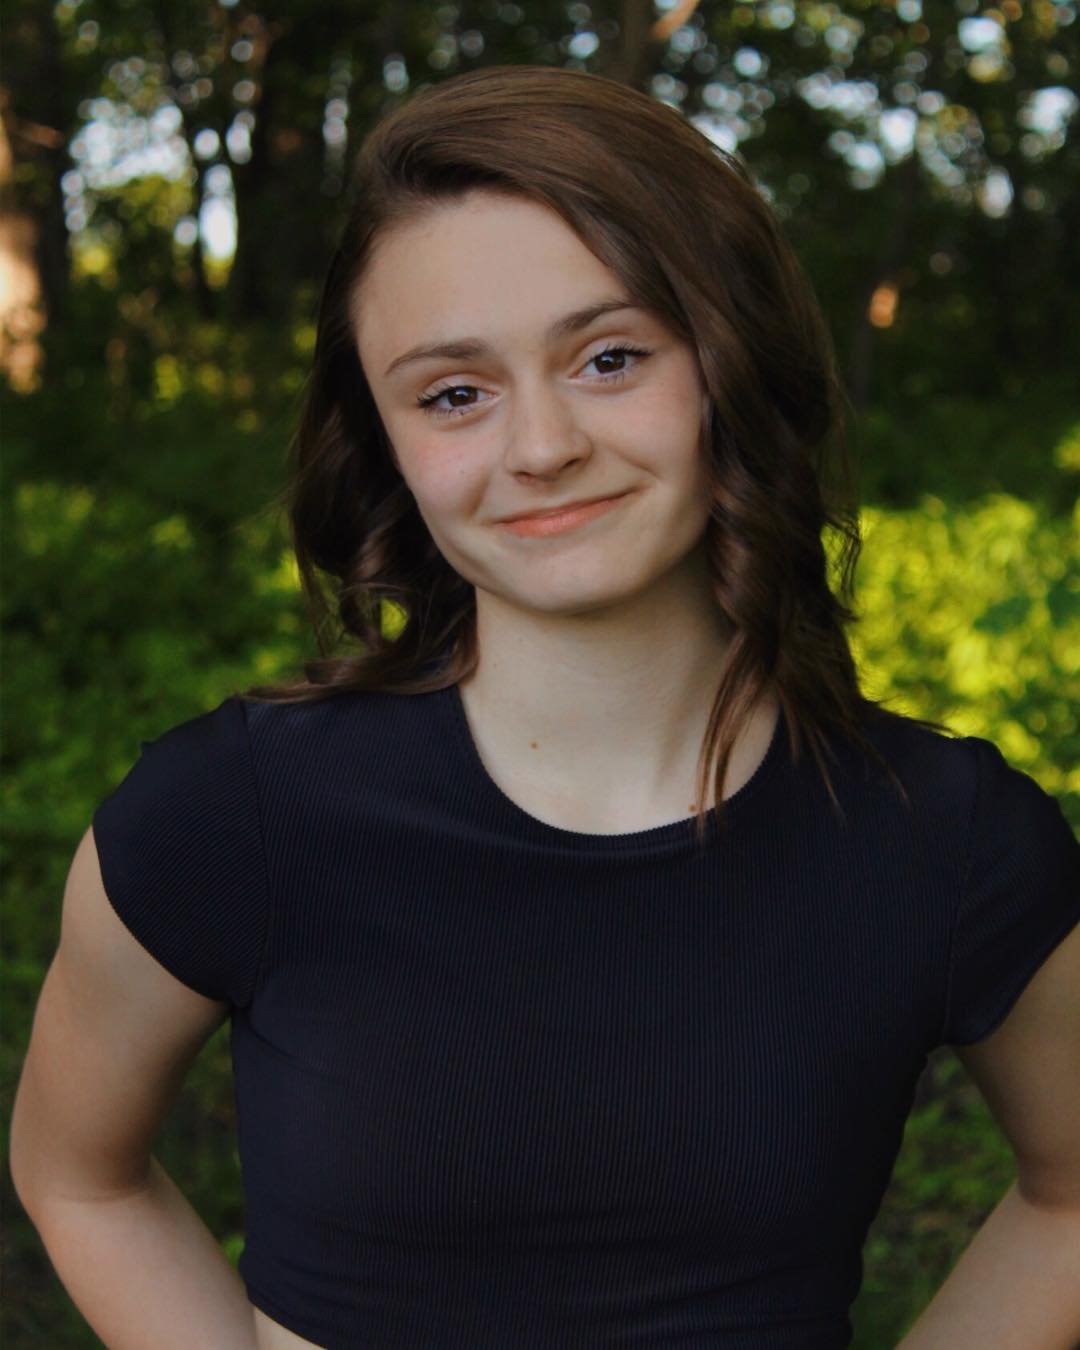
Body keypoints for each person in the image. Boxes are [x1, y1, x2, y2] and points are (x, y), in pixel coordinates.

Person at [9, 63, 1080, 1350]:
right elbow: (80, 1174)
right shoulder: (229, 811)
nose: (540, 448)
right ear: (386, 441)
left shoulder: (944, 837)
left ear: (731, 362)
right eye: (454, 393)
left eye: (610, 357)